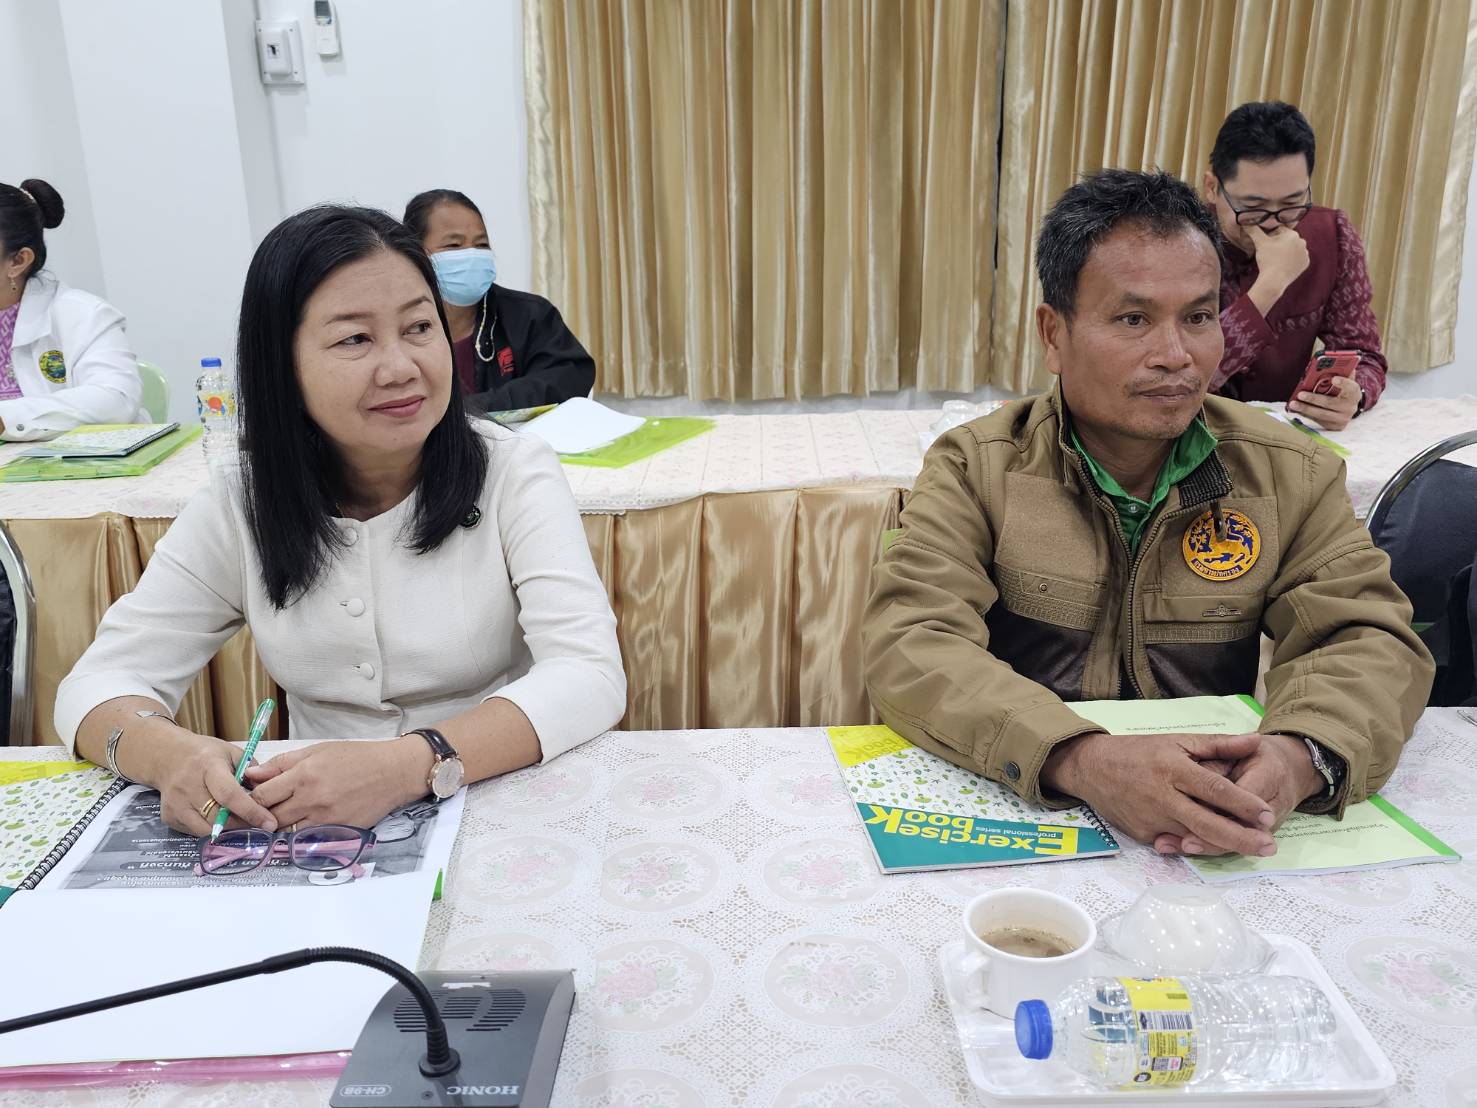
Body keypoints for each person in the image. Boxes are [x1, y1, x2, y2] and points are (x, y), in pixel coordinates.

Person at [863, 169, 1433, 858]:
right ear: (1053, 335)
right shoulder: (977, 467)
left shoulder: (1289, 472)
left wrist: (1298, 754)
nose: (1175, 357)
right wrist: (1080, 759)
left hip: (1212, 827)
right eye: (1132, 320)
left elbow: (1366, 638)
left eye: (1196, 317)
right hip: (1031, 808)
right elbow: (912, 641)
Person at [56, 205, 626, 836]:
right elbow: (99, 682)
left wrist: (412, 763)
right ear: (282, 366)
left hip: (499, 802)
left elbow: (588, 674)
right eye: (355, 339)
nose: (401, 366)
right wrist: (170, 757)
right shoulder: (243, 500)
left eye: (419, 327)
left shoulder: (513, 473)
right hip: (308, 832)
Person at [1204, 101, 1385, 430]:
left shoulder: (1334, 236)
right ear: (1213, 188)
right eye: (1253, 206)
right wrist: (1270, 285)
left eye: (1291, 204)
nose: (1274, 223)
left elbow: (1364, 352)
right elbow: (1188, 377)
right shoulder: (1178, 242)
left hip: (1284, 440)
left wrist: (1354, 394)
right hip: (1185, 437)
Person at [402, 189, 595, 413]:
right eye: (453, 245)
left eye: (481, 245)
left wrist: (473, 410)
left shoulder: (529, 314)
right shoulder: (399, 323)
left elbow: (567, 376)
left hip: (515, 443)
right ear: (415, 253)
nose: (472, 254)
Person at [0, 178, 143, 440]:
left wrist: (5, 418)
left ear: (18, 261)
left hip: (81, 472)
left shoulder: (83, 314)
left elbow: (115, 399)